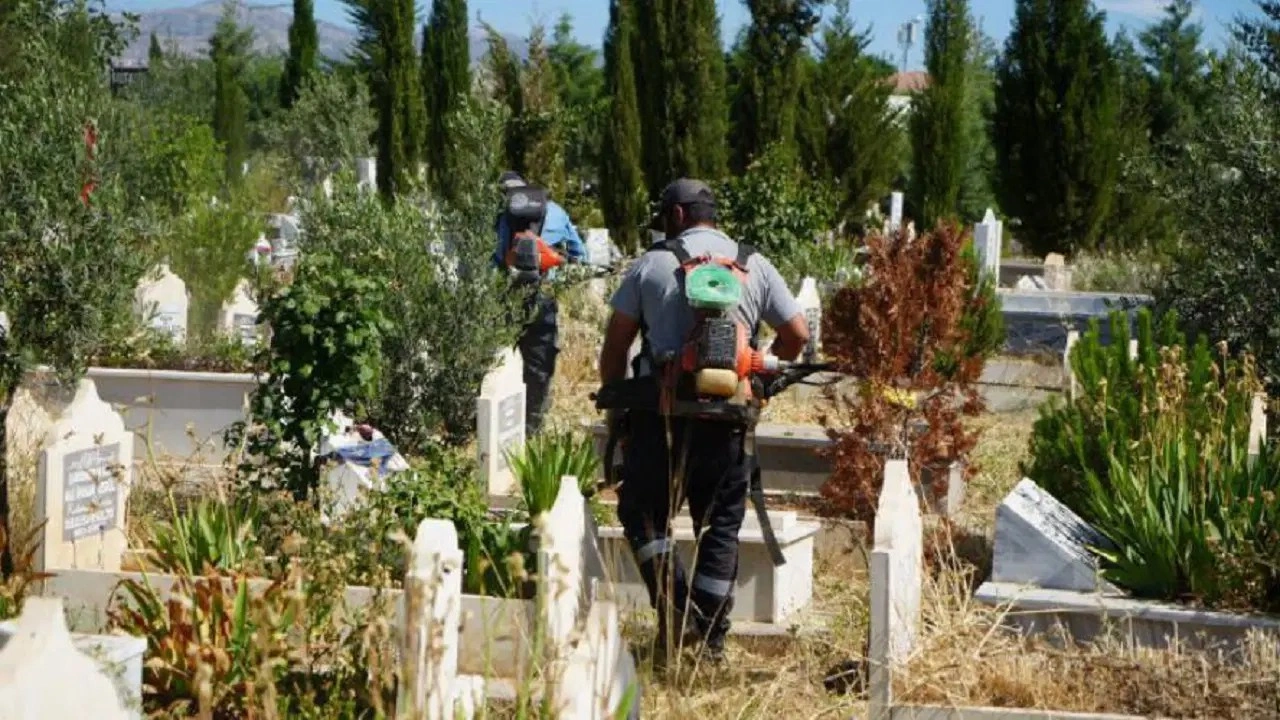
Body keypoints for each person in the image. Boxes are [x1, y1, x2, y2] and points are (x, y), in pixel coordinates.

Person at [596, 178, 810, 663]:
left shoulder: (652, 264)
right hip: (728, 422)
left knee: (643, 514)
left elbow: (616, 346)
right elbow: (797, 334)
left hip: (659, 420)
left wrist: (617, 410)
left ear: (676, 216)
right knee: (720, 526)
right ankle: (710, 641)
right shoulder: (754, 264)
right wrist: (758, 378)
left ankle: (678, 610)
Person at [492, 171, 585, 435]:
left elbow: (493, 259)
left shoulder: (500, 216)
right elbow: (580, 255)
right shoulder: (556, 212)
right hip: (543, 296)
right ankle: (532, 429)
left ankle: (496, 427)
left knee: (496, 363)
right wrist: (555, 264)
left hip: (505, 297)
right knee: (539, 367)